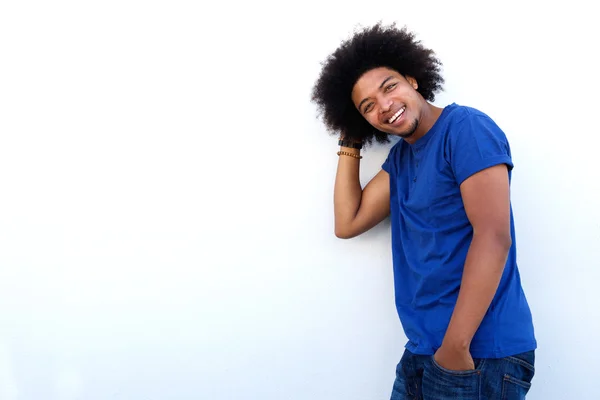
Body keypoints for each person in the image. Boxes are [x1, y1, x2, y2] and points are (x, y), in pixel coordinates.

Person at [311, 23, 537, 399]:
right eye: (368, 107)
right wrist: (351, 133)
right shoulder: (401, 160)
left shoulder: (465, 129)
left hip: (480, 354)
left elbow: (494, 237)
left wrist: (455, 349)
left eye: (389, 87)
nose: (384, 105)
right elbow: (347, 222)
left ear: (413, 80)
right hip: (423, 351)